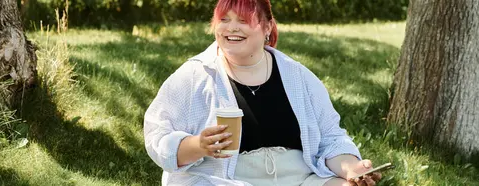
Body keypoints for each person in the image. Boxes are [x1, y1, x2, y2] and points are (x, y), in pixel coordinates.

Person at [144, 0, 383, 185]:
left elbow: (331, 138)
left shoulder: (298, 76)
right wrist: (198, 145)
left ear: (267, 26)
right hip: (225, 181)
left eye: (243, 20)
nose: (231, 28)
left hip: (300, 180)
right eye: (224, 19)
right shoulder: (194, 77)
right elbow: (158, 136)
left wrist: (352, 169)